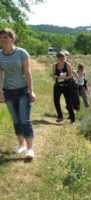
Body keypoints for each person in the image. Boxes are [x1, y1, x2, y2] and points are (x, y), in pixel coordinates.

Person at [0, 28, 36, 158]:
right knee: (16, 119)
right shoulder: (0, 54)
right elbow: (0, 76)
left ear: (13, 38)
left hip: (22, 91)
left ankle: (30, 149)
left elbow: (27, 73)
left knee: (24, 119)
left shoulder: (22, 53)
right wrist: (0, 93)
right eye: (1, 37)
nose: (3, 40)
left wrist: (31, 92)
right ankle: (21, 145)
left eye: (6, 37)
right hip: (8, 92)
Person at [52, 51, 75, 124]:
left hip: (67, 86)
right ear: (57, 59)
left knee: (69, 103)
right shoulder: (55, 65)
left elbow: (70, 76)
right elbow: (53, 75)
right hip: (58, 85)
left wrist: (62, 77)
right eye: (61, 59)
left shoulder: (67, 65)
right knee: (56, 100)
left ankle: (72, 120)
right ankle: (60, 116)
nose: (62, 60)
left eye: (63, 58)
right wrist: (55, 76)